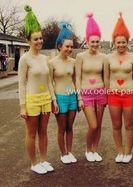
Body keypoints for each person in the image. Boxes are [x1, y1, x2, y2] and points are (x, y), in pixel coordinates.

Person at [18, 5, 58, 174]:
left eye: (40, 38)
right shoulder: (25, 59)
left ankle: (43, 160)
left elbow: (49, 81)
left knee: (44, 132)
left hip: (46, 99)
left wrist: (53, 100)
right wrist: (23, 105)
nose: (39, 41)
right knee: (31, 133)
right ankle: (34, 163)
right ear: (29, 41)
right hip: (32, 100)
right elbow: (21, 83)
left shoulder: (45, 58)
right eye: (36, 39)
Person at [104, 13, 133, 163]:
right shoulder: (108, 58)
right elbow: (106, 77)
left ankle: (128, 152)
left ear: (127, 42)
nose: (121, 45)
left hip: (129, 94)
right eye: (118, 43)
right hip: (113, 95)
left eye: (123, 42)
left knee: (129, 125)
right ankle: (119, 151)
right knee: (116, 125)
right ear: (114, 42)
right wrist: (107, 93)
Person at [75, 13, 107, 162]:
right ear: (87, 41)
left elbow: (106, 77)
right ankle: (88, 149)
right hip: (86, 94)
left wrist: (107, 93)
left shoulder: (103, 57)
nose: (95, 44)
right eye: (92, 41)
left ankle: (95, 150)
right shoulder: (80, 57)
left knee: (99, 124)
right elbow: (78, 77)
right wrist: (79, 97)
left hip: (101, 93)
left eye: (97, 41)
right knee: (93, 125)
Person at [49, 22, 77, 164]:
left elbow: (76, 80)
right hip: (60, 98)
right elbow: (49, 83)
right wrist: (53, 100)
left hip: (72, 97)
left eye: (71, 46)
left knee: (70, 127)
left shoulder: (74, 62)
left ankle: (70, 152)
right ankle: (63, 153)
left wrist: (78, 98)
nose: (70, 49)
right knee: (61, 128)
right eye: (67, 46)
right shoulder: (52, 63)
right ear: (60, 46)